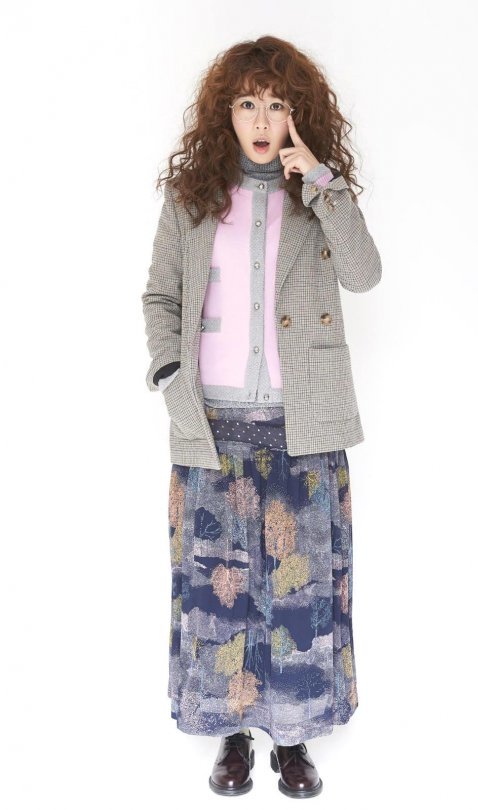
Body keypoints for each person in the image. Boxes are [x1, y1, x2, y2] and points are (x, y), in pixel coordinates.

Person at [141, 35, 382, 799]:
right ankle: (234, 735)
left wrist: (324, 182)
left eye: (277, 105)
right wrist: (170, 371)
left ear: (297, 115)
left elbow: (365, 274)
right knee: (219, 591)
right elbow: (160, 297)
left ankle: (294, 737)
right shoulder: (192, 198)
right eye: (247, 103)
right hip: (210, 426)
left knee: (298, 594)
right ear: (225, 111)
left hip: (302, 423)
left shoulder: (317, 199)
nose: (261, 119)